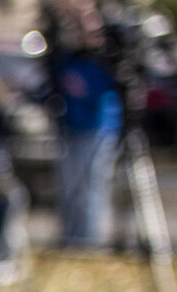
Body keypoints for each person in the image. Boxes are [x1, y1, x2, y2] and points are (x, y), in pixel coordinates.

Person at [48, 0, 121, 250]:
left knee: (92, 189)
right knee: (70, 187)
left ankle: (91, 243)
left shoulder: (105, 54)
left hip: (98, 127)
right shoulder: (66, 54)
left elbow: (112, 83)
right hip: (71, 125)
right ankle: (72, 239)